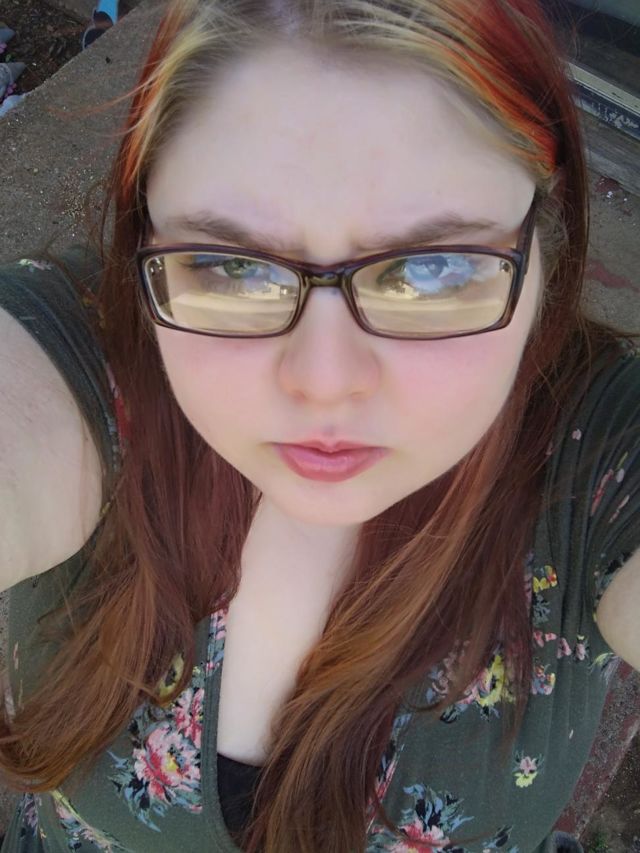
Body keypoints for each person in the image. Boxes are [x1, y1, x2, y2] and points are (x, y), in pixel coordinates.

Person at [0, 0, 638, 850]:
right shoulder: (88, 358)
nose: (325, 382)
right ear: (142, 237)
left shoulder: (598, 457)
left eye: (434, 269)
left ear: (544, 251)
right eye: (229, 266)